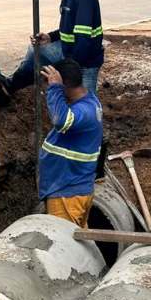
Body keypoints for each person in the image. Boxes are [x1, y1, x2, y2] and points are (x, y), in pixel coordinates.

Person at [0, 0, 103, 96]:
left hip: (85, 62)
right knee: (36, 50)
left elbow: (83, 41)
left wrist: (67, 71)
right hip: (67, 49)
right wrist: (50, 37)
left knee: (87, 106)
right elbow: (70, 28)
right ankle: (12, 85)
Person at [39, 59, 103, 226]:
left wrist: (54, 88)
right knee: (75, 243)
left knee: (63, 241)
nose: (46, 92)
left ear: (64, 85)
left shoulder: (84, 111)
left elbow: (61, 120)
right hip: (70, 189)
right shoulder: (87, 102)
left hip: (68, 193)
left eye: (48, 87)